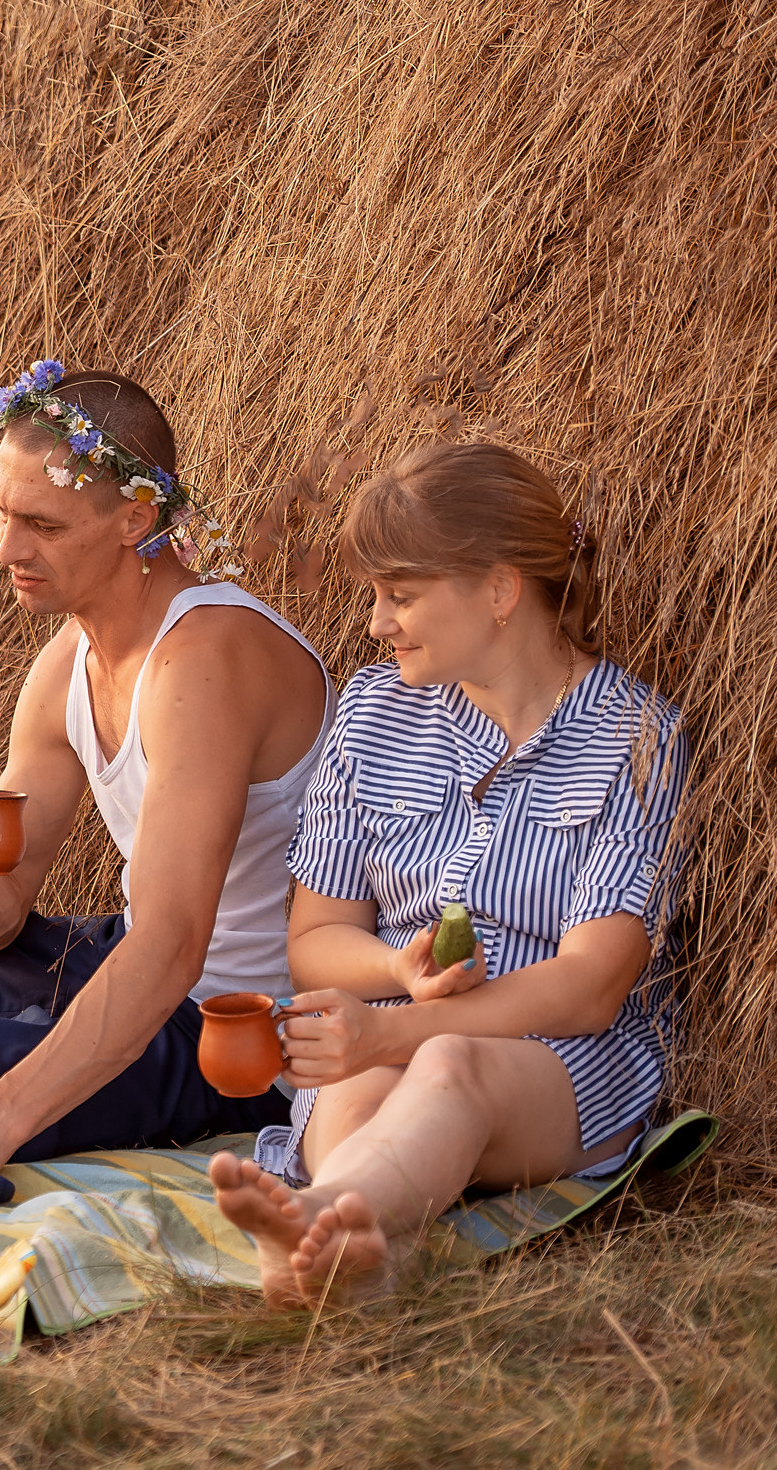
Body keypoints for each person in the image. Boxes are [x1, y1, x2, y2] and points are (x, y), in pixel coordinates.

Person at [0, 360, 335, 1204]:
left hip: (230, 1033)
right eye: (1, 514)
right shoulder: (68, 662)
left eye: (42, 524)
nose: (7, 550)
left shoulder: (203, 659)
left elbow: (172, 947)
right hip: (123, 964)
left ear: (136, 518)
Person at [209, 442, 688, 1308]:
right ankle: (363, 1259)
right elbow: (317, 938)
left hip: (554, 1059)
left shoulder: (634, 735)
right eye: (376, 596)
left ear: (500, 590)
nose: (377, 623)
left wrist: (397, 1032)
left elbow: (591, 986)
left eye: (402, 595)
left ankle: (316, 1213)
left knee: (449, 1066)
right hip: (380, 1029)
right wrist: (393, 976)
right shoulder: (371, 710)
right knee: (358, 1090)